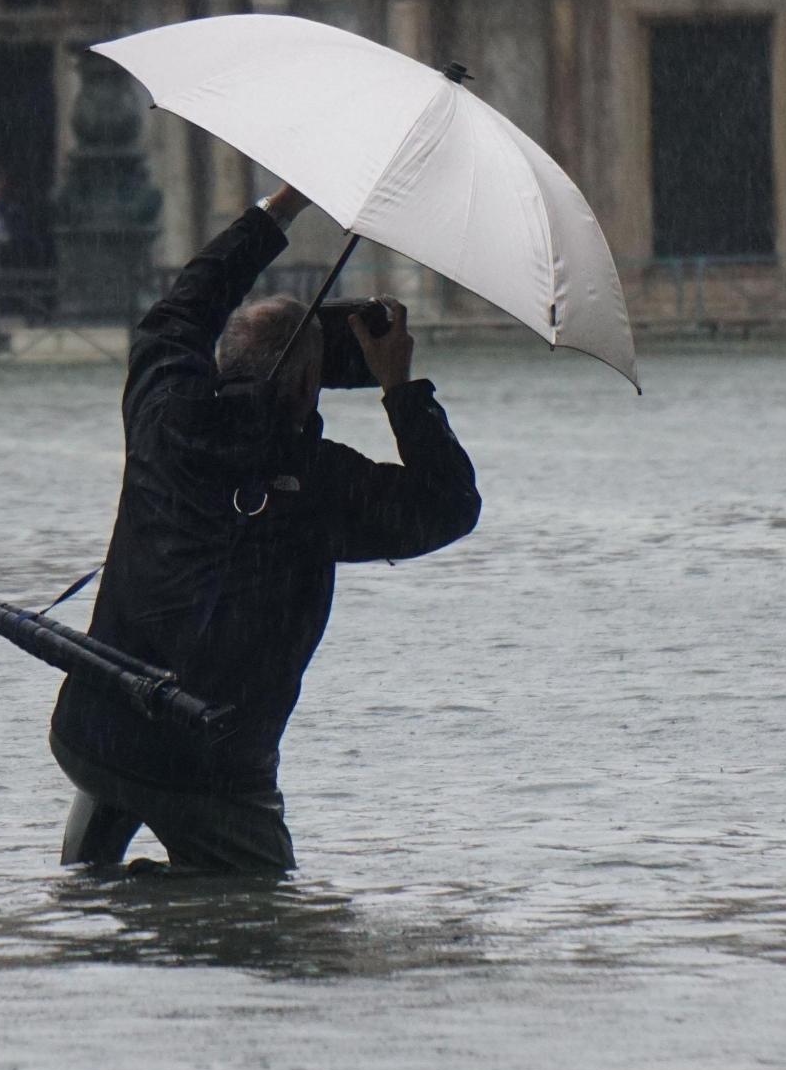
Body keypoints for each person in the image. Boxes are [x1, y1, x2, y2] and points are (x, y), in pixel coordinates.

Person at [49, 183, 481, 875]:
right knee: (263, 913)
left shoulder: (162, 412)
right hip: (214, 768)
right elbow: (451, 504)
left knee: (103, 840)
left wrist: (281, 207)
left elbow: (188, 303)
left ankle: (107, 899)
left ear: (223, 358)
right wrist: (399, 386)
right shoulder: (326, 484)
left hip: (94, 729)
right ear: (311, 389)